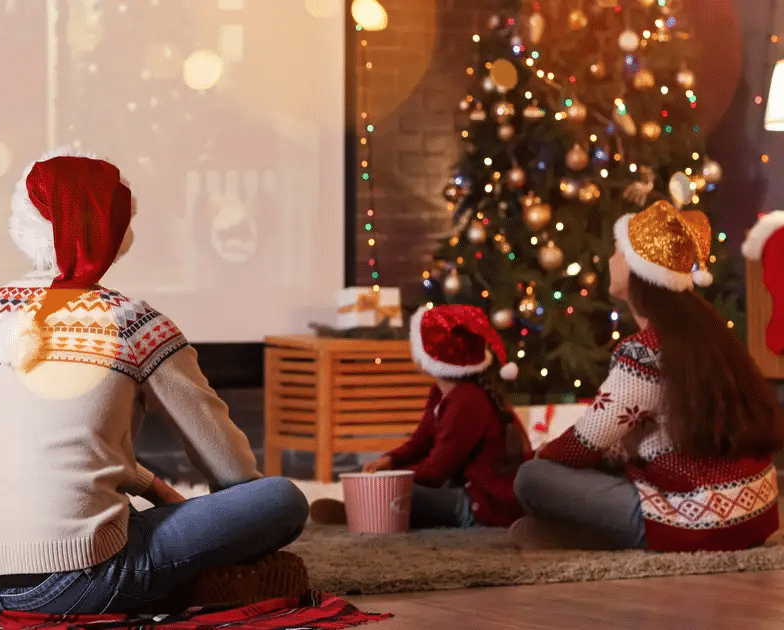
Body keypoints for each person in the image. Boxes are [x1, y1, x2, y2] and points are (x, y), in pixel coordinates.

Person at [0, 148, 309, 615]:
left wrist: (151, 484)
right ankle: (190, 580)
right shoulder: (133, 321)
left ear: (22, 226)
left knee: (114, 515)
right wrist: (238, 516)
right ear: (117, 232)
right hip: (82, 580)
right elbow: (230, 470)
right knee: (280, 499)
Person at [510, 199, 784, 551]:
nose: (610, 260)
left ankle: (576, 533)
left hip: (698, 522)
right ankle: (569, 532)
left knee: (533, 478)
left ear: (639, 269)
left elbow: (583, 443)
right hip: (755, 515)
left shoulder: (642, 351)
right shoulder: (708, 331)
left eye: (617, 251)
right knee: (601, 466)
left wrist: (538, 456)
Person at [312, 304, 530, 529]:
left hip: (483, 505)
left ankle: (366, 510)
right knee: (398, 488)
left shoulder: (468, 400)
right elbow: (421, 441)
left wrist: (390, 479)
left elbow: (437, 469)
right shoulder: (440, 392)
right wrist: (391, 460)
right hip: (460, 486)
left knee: (400, 491)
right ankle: (368, 509)